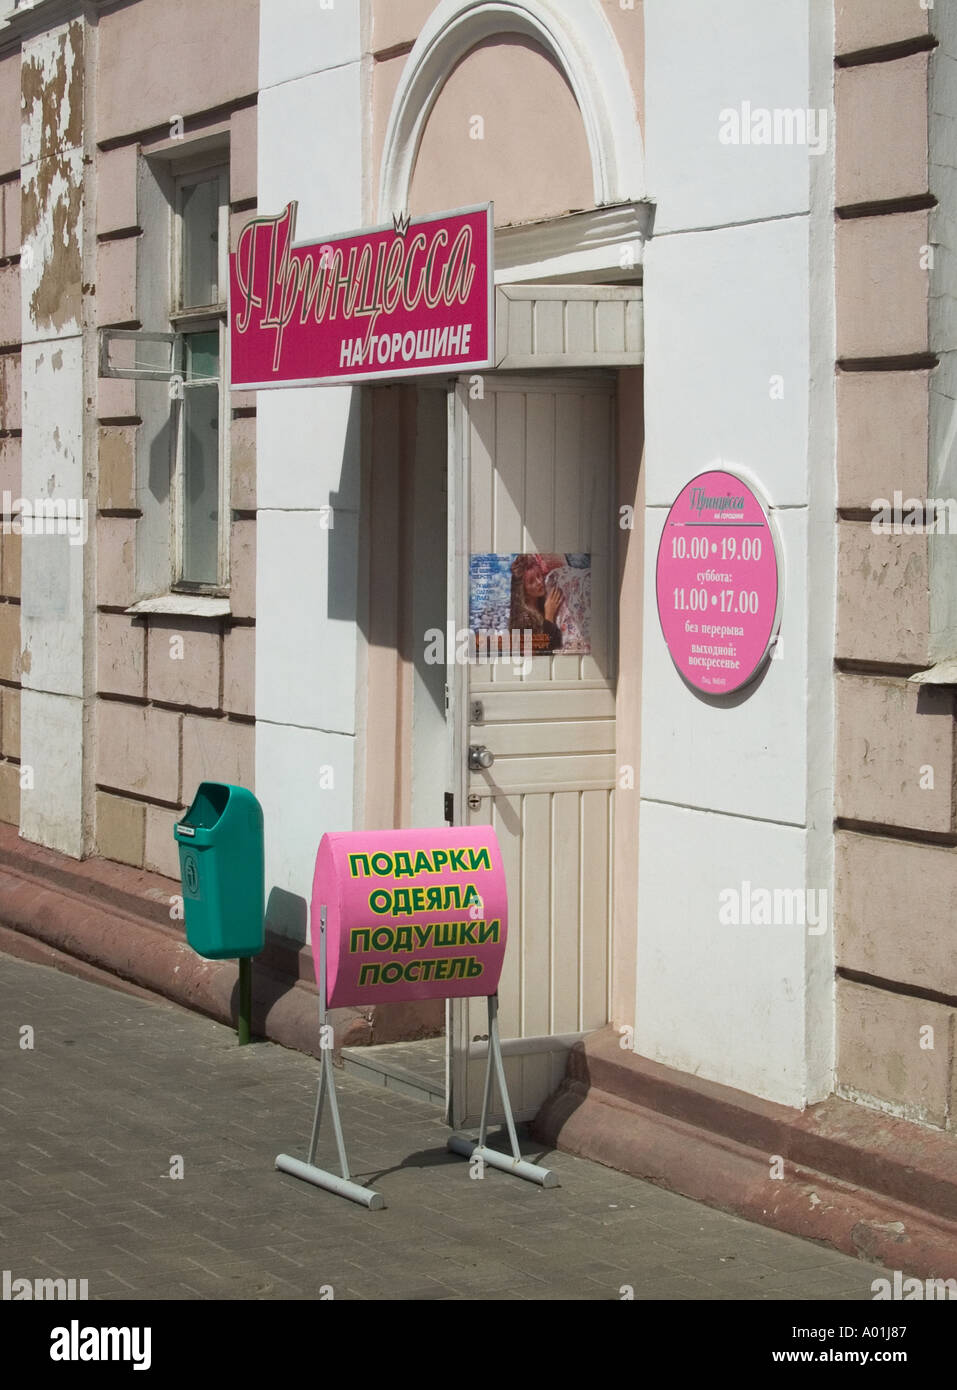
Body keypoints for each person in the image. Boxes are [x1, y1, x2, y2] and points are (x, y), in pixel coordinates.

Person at [509, 553, 563, 653]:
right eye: (531, 581)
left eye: (539, 575)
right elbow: (537, 656)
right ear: (522, 591)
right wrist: (549, 616)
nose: (539, 582)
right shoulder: (522, 621)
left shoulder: (541, 603)